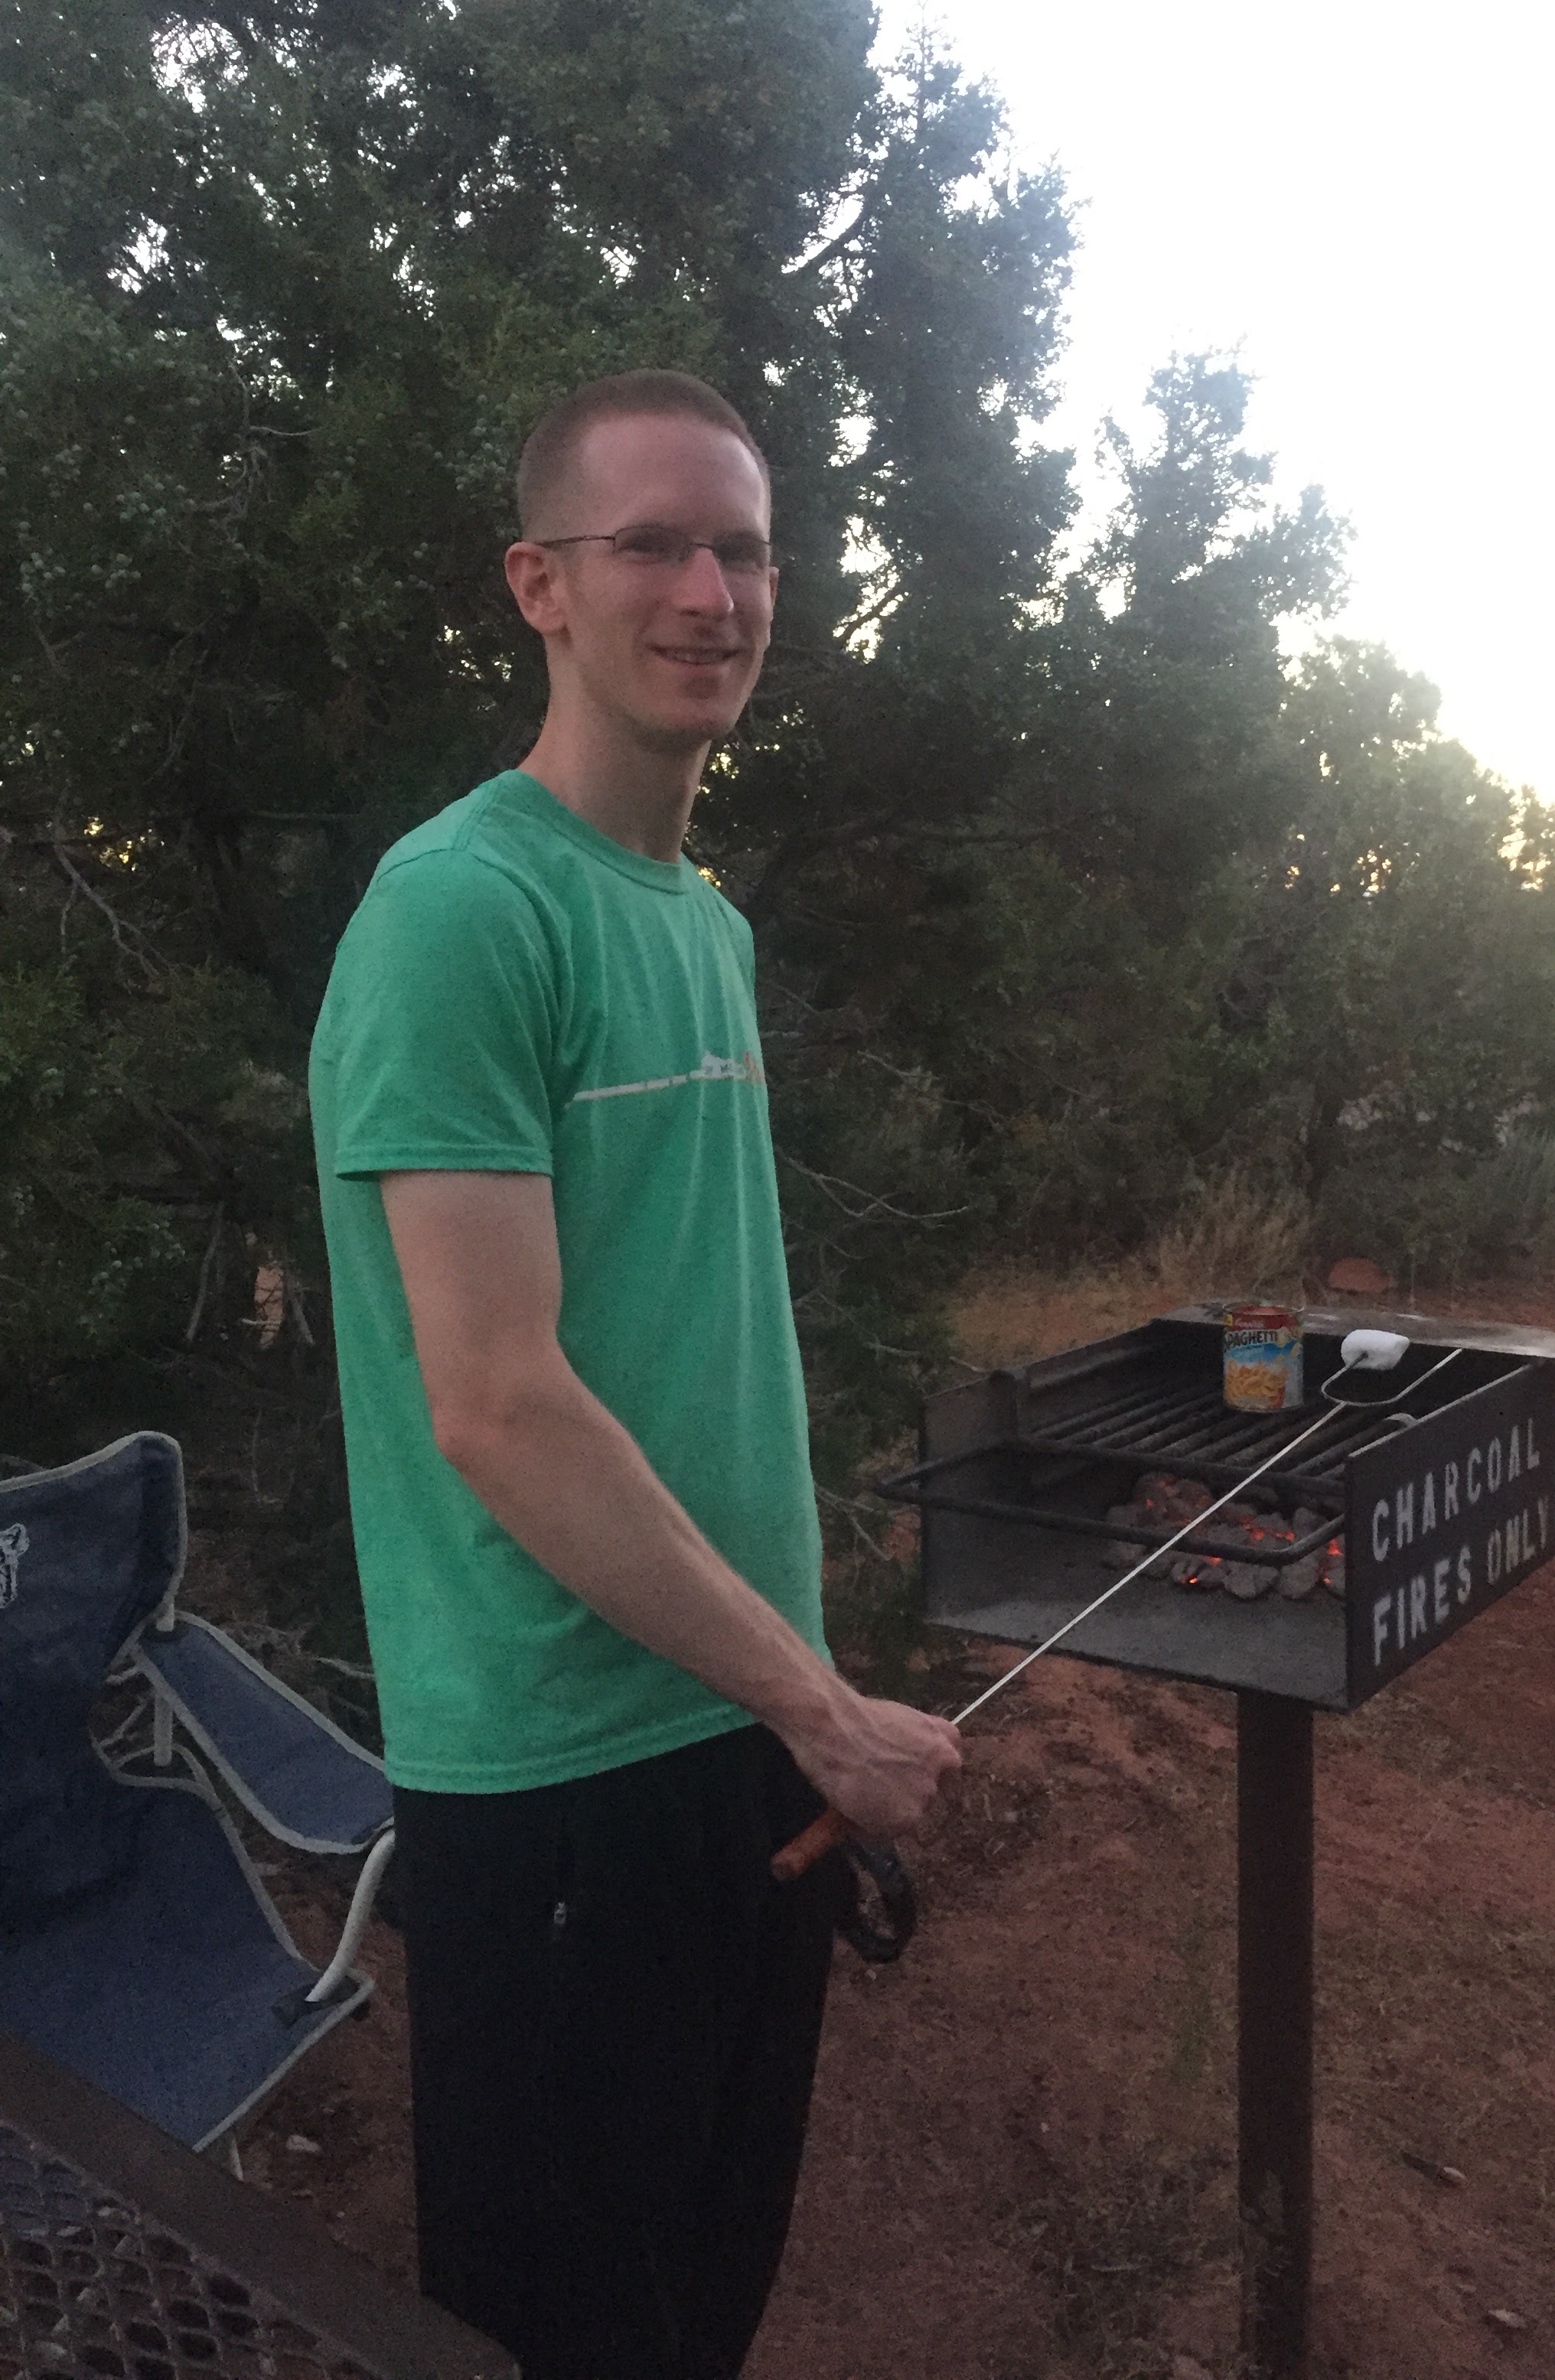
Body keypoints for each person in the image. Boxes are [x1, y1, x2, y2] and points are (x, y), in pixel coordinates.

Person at [308, 369, 962, 2380]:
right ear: (540, 586)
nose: (711, 589)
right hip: (562, 1773)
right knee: (565, 2330)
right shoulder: (461, 914)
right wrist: (813, 1699)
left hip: (741, 1724)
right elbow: (494, 1402)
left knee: (706, 2290)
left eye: (745, 547)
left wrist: (790, 1695)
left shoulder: (697, 922)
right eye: (654, 544)